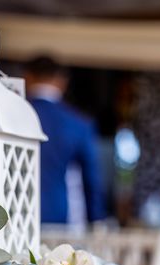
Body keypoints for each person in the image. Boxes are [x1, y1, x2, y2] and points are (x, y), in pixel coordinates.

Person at [24, 56, 106, 224]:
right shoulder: (79, 123)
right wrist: (95, 219)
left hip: (15, 216)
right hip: (59, 217)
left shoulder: (11, 116)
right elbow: (91, 179)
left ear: (27, 77)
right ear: (62, 81)